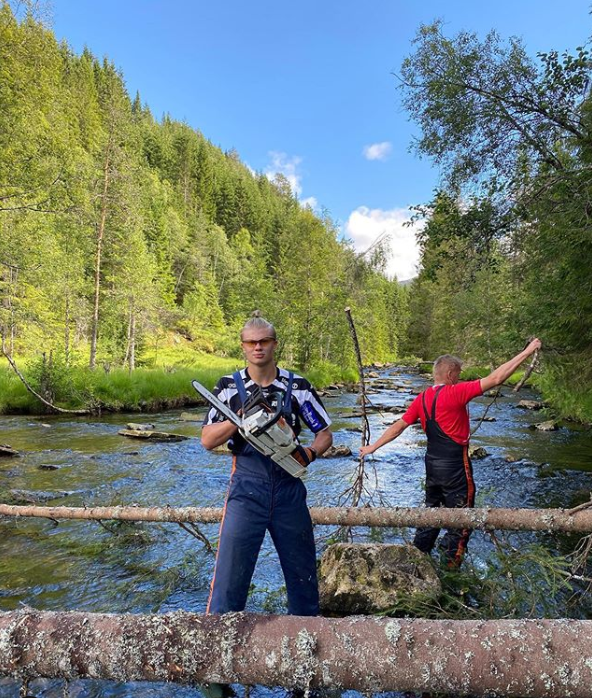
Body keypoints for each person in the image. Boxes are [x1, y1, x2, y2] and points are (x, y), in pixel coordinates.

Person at [360, 338, 542, 566]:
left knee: (431, 514)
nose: (460, 377)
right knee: (462, 521)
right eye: (458, 373)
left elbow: (398, 426)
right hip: (455, 467)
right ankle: (450, 572)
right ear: (449, 375)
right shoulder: (456, 392)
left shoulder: (422, 398)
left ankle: (418, 561)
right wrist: (527, 351)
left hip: (432, 467)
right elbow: (497, 378)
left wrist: (372, 447)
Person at [201, 312, 333, 616]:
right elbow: (207, 440)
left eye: (264, 341)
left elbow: (324, 434)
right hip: (246, 489)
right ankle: (220, 641)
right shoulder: (227, 388)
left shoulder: (297, 386)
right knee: (229, 579)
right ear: (243, 347)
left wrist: (310, 454)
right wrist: (239, 421)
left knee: (303, 576)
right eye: (251, 342)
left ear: (275, 344)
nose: (257, 347)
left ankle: (305, 639)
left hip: (289, 488)